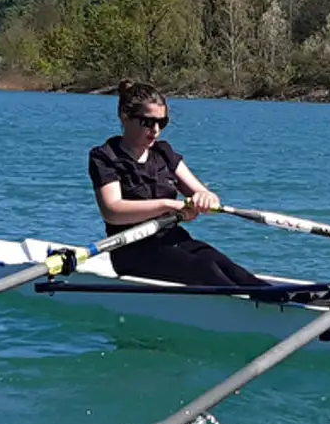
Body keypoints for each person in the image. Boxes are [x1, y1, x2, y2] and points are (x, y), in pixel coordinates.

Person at [88, 80, 265, 289]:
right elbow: (112, 210)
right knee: (205, 266)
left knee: (225, 265)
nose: (155, 130)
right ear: (124, 117)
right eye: (147, 122)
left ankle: (286, 299)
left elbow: (202, 191)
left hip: (174, 240)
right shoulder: (105, 157)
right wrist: (170, 206)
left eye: (161, 123)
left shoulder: (164, 152)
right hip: (132, 251)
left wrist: (205, 198)